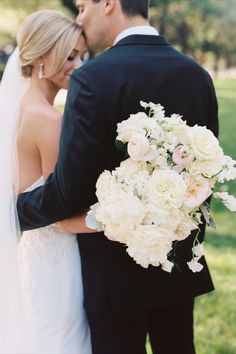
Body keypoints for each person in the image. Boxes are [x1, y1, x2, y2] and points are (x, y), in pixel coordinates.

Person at [16, 1, 219, 353]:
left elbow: (69, 192)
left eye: (82, 6)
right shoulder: (197, 75)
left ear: (108, 3)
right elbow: (203, 178)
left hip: (113, 283)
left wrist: (14, 212)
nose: (80, 16)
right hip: (177, 270)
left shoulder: (93, 78)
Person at [0, 9, 91, 354]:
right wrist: (128, 217)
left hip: (36, 258)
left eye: (82, 55)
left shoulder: (22, 108)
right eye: (69, 55)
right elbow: (64, 216)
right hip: (59, 266)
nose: (79, 65)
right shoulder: (48, 120)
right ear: (41, 56)